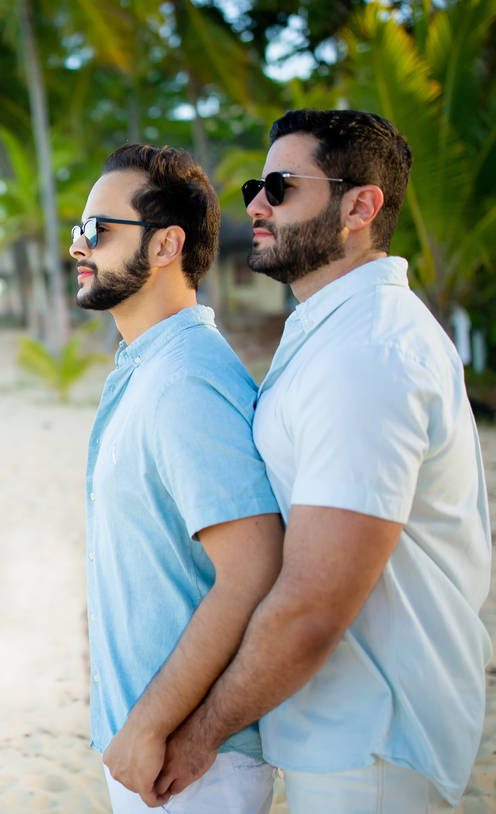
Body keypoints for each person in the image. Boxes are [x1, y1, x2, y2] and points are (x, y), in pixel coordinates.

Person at [149, 109, 492, 812]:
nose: (256, 203)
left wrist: (201, 733)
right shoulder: (336, 332)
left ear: (361, 206)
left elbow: (312, 606)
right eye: (255, 185)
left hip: (371, 745)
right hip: (345, 735)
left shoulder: (367, 354)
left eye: (281, 185)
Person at [72, 143, 285, 813]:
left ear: (165, 245)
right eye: (79, 230)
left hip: (189, 763)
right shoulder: (147, 368)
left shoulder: (185, 380)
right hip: (150, 748)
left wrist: (151, 723)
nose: (79, 246)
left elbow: (253, 570)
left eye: (98, 230)